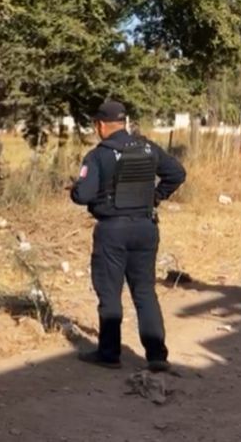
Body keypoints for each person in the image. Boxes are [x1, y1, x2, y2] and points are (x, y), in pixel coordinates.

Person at [70, 100, 186, 372]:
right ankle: (156, 355)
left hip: (112, 230)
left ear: (100, 125)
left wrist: (75, 189)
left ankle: (109, 354)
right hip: (146, 228)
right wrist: (156, 197)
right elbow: (177, 173)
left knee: (110, 293)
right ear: (124, 123)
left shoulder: (98, 155)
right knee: (144, 291)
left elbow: (83, 195)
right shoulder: (147, 147)